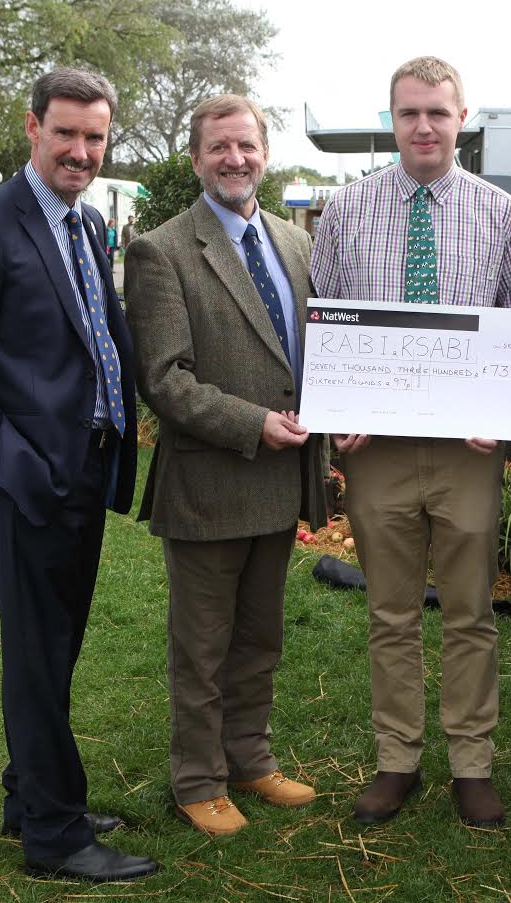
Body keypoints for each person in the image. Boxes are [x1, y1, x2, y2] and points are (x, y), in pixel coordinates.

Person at [0, 67, 157, 883]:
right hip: (28, 479)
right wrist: (3, 459)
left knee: (54, 647)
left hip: (87, 468)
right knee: (34, 649)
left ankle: (30, 793)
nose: (81, 150)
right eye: (66, 133)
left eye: (95, 136)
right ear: (32, 129)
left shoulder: (89, 225)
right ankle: (54, 836)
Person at [309, 56, 511, 828]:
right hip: (378, 450)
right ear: (392, 118)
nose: (424, 127)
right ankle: (396, 758)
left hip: (468, 450)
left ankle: (472, 762)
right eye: (409, 113)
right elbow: (327, 318)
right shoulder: (345, 210)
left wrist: (503, 416)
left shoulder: (501, 213)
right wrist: (337, 406)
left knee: (470, 612)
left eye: (438, 112)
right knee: (391, 612)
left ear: (461, 117)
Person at [126, 94, 328, 837]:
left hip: (280, 483)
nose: (234, 159)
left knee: (259, 639)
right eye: (219, 148)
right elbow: (165, 378)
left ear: (265, 154)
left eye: (246, 145)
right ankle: (197, 778)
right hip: (211, 483)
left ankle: (250, 758)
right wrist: (255, 423)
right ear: (196, 159)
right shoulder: (162, 250)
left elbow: (319, 352)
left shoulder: (297, 243)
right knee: (202, 646)